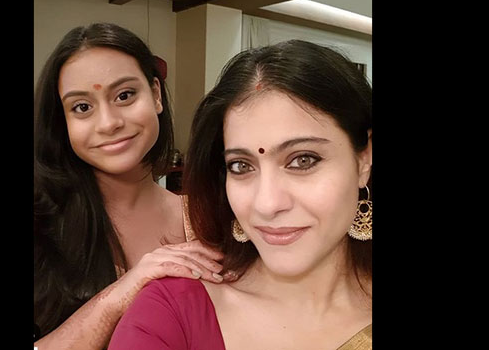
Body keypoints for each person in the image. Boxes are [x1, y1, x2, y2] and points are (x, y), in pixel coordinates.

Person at [108, 40, 373, 350]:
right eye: (241, 166)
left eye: (303, 160)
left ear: (364, 160)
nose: (267, 204)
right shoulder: (169, 313)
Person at [34, 22, 226, 349]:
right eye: (82, 107)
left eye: (124, 95)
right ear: (62, 122)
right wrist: (120, 294)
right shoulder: (42, 225)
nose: (109, 123)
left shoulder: (211, 221)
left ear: (155, 95)